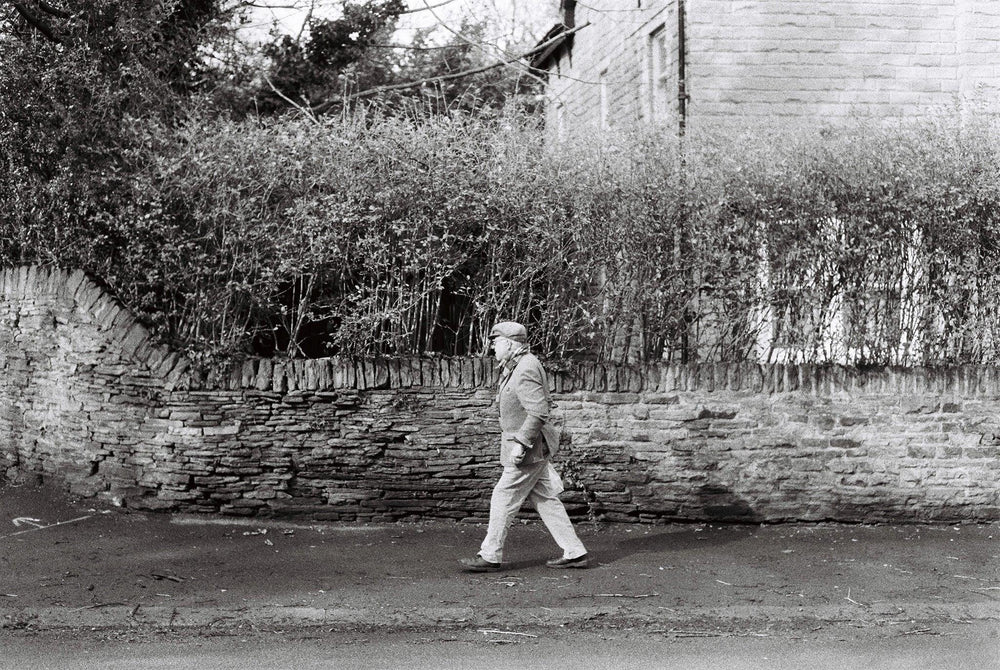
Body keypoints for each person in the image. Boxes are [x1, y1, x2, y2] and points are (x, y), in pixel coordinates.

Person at [459, 321, 589, 572]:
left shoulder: (526, 367)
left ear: (509, 344)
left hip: (528, 450)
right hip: (531, 448)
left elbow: (538, 411)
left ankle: (490, 555)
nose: (493, 348)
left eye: (496, 342)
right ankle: (575, 552)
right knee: (546, 499)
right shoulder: (517, 364)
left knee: (502, 496)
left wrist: (520, 444)